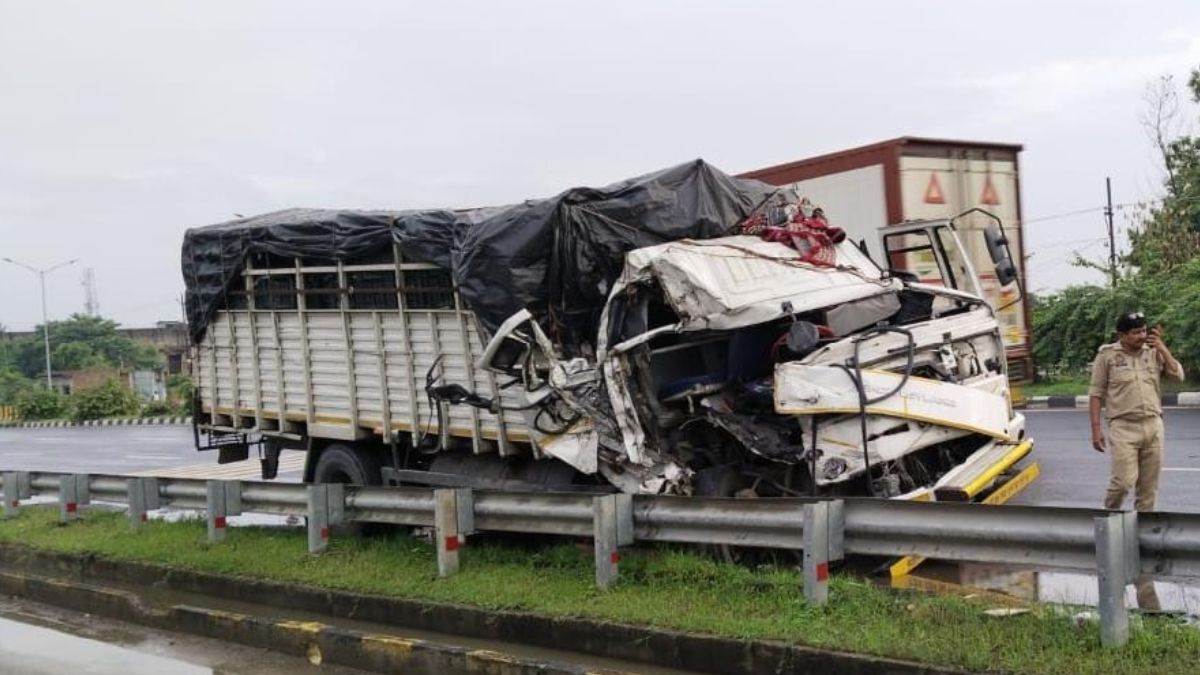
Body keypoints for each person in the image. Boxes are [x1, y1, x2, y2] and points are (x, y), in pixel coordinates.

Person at [1089, 311, 1185, 511]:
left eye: (1143, 331)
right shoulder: (1107, 356)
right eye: (1135, 332)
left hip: (1153, 425)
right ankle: (1108, 520)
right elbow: (1096, 394)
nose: (1142, 336)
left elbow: (1178, 377)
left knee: (1148, 489)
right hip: (1123, 427)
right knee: (1123, 482)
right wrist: (1096, 430)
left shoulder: (1153, 352)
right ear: (1122, 335)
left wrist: (1162, 348)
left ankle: (1142, 534)